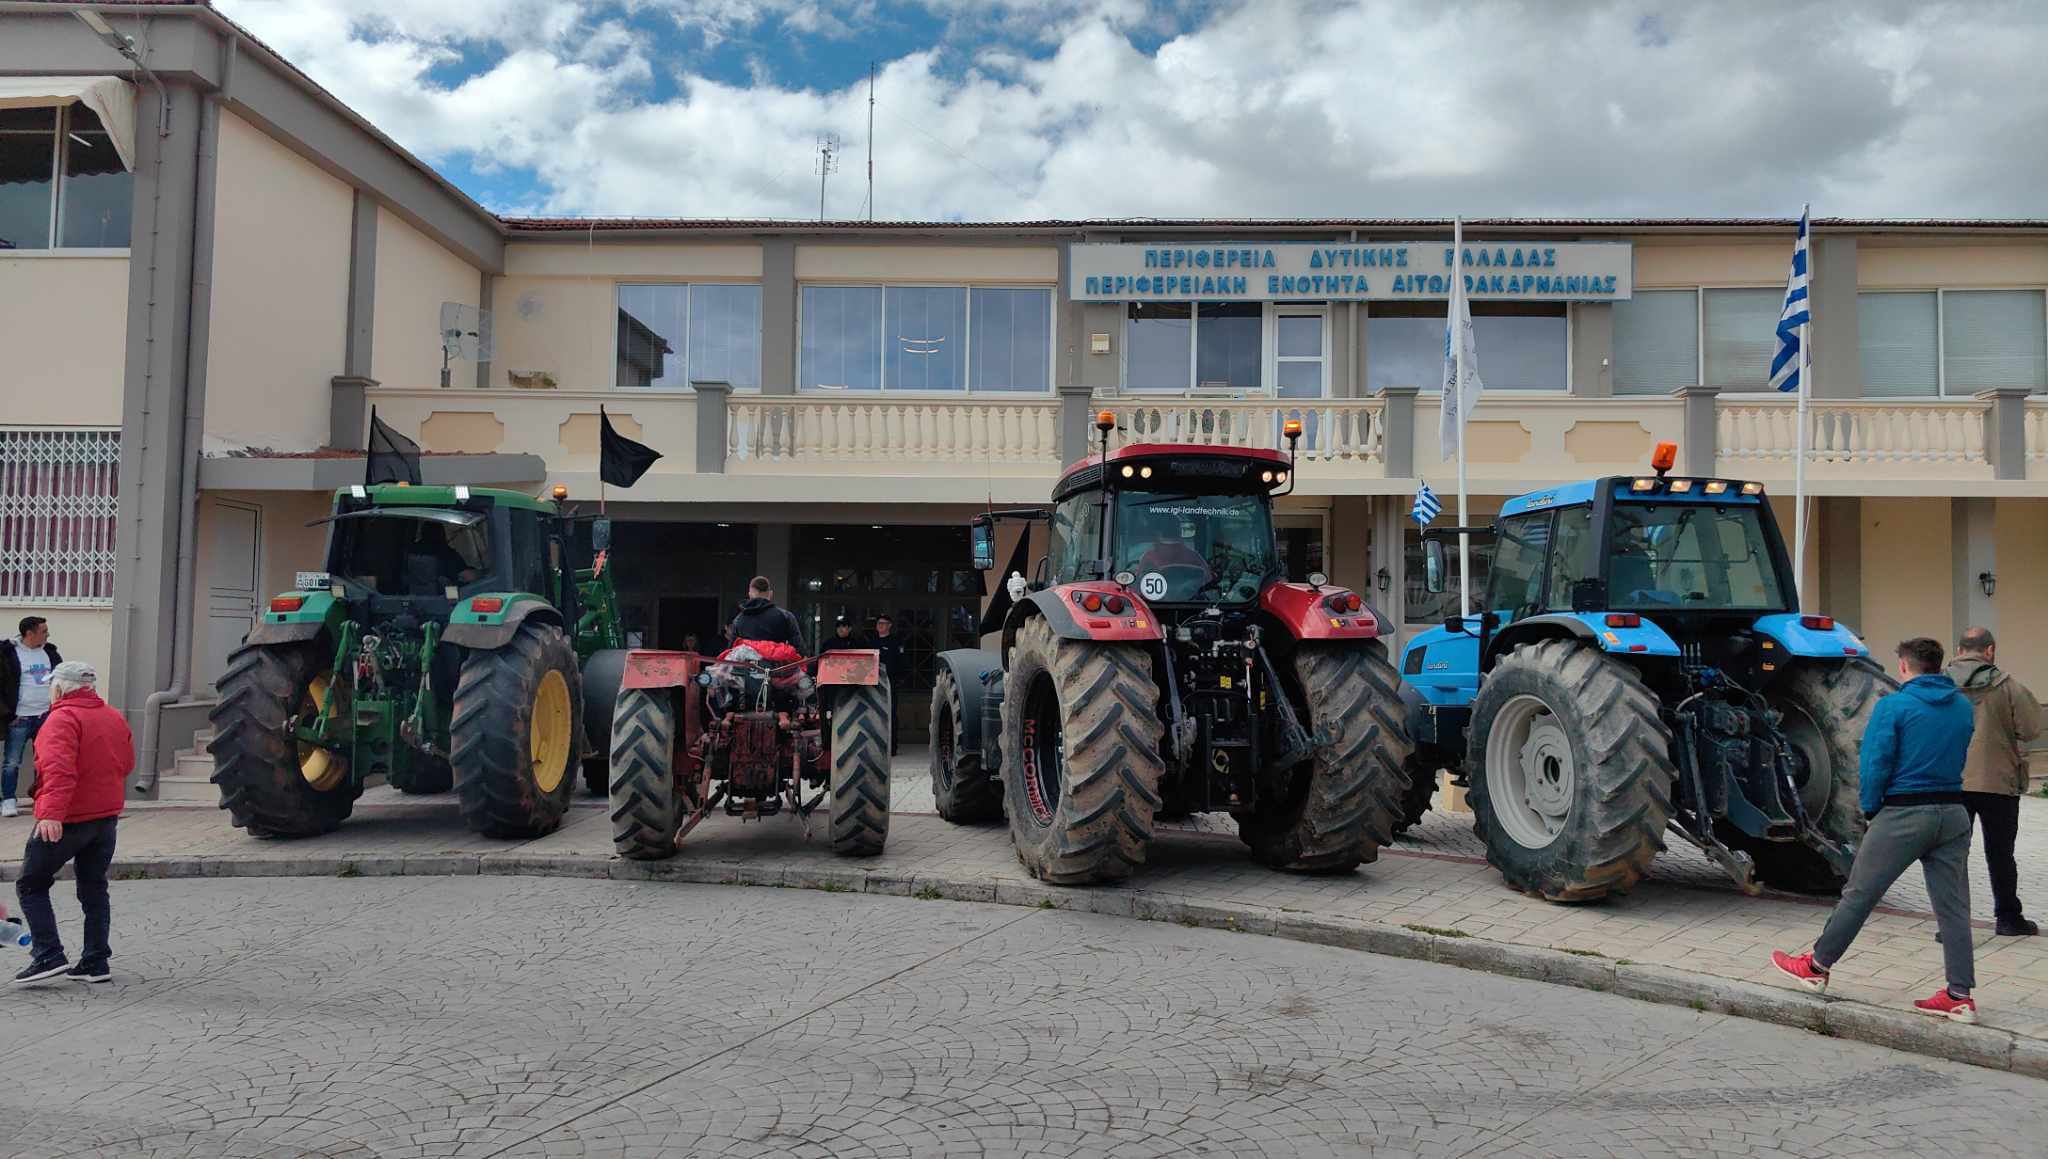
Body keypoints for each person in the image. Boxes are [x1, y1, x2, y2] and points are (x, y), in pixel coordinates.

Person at [1771, 638, 1980, 1022]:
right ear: (1938, 665)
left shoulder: (1893, 707)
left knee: (1859, 894)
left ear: (1904, 666)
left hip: (1903, 814)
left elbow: (1875, 764)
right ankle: (1960, 995)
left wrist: (1870, 810)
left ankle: (1816, 967)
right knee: (1953, 908)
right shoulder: (1962, 707)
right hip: (1953, 813)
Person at [13, 662, 131, 987]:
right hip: (105, 818)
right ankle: (96, 961)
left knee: (31, 884)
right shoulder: (113, 716)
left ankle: (48, 954)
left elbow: (58, 770)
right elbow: (126, 764)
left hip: (68, 818)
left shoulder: (61, 719)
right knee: (94, 886)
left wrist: (51, 813)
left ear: (60, 687)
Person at [1947, 626, 2044, 936]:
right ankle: (2008, 918)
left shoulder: (1940, 684)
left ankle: (1951, 924)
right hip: (1998, 781)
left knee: (1951, 856)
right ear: (1989, 651)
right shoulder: (2008, 685)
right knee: (2001, 853)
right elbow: (2031, 729)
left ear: (1959, 651)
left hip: (1950, 782)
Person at [0, 616, 61, 819]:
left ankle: (41, 798)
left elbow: (60, 680)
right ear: (29, 633)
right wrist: (8, 714)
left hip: (45, 716)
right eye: (43, 631)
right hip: (20, 718)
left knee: (44, 761)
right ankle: (8, 800)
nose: (47, 635)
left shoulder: (49, 652)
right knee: (12, 761)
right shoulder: (9, 653)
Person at [727, 577, 805, 650]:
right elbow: (799, 648)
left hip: (747, 659)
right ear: (770, 594)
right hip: (777, 660)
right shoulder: (785, 616)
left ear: (750, 594)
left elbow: (731, 650)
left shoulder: (739, 620)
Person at [872, 614, 908, 756]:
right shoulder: (872, 642)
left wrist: (899, 679)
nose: (880, 625)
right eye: (878, 623)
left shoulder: (895, 642)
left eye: (883, 623)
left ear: (889, 625)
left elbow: (902, 663)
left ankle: (892, 747)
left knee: (891, 714)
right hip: (873, 683)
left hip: (890, 682)